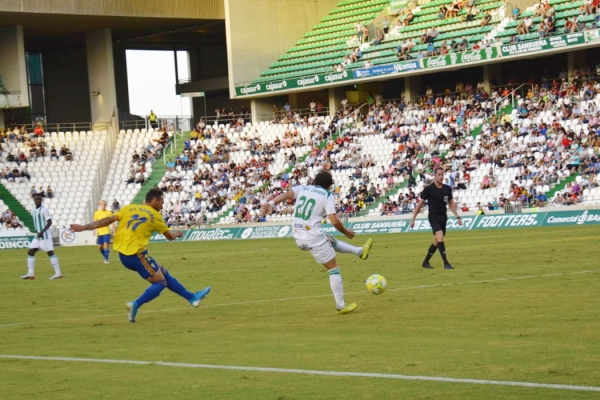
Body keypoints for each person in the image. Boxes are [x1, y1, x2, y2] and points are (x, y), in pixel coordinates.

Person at [69, 189, 210, 323]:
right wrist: (178, 233)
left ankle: (192, 298)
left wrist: (83, 227)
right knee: (160, 282)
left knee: (163, 272)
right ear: (154, 201)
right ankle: (135, 304)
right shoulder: (155, 216)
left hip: (123, 254)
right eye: (161, 203)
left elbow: (107, 220)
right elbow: (170, 237)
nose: (161, 206)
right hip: (137, 254)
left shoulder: (128, 208)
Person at [261, 170, 372, 315]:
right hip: (312, 237)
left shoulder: (304, 188)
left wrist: (271, 202)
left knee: (330, 239)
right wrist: (346, 232)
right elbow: (334, 220)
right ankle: (341, 305)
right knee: (334, 269)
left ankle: (360, 252)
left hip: (299, 235)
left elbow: (288, 193)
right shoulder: (327, 195)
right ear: (330, 185)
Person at [410, 167, 463, 269]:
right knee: (440, 236)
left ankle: (425, 262)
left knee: (436, 241)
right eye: (438, 174)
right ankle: (446, 263)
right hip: (433, 217)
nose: (441, 176)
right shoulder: (428, 189)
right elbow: (420, 204)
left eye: (442, 174)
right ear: (434, 176)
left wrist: (458, 217)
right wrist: (413, 219)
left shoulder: (447, 189)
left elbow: (451, 203)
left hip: (443, 217)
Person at [20, 194, 63, 280]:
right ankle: (31, 274)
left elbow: (49, 222)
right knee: (30, 252)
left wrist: (42, 231)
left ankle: (58, 273)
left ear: (41, 200)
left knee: (50, 253)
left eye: (39, 200)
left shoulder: (44, 210)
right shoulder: (33, 211)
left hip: (45, 235)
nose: (38, 201)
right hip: (38, 235)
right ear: (34, 201)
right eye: (36, 200)